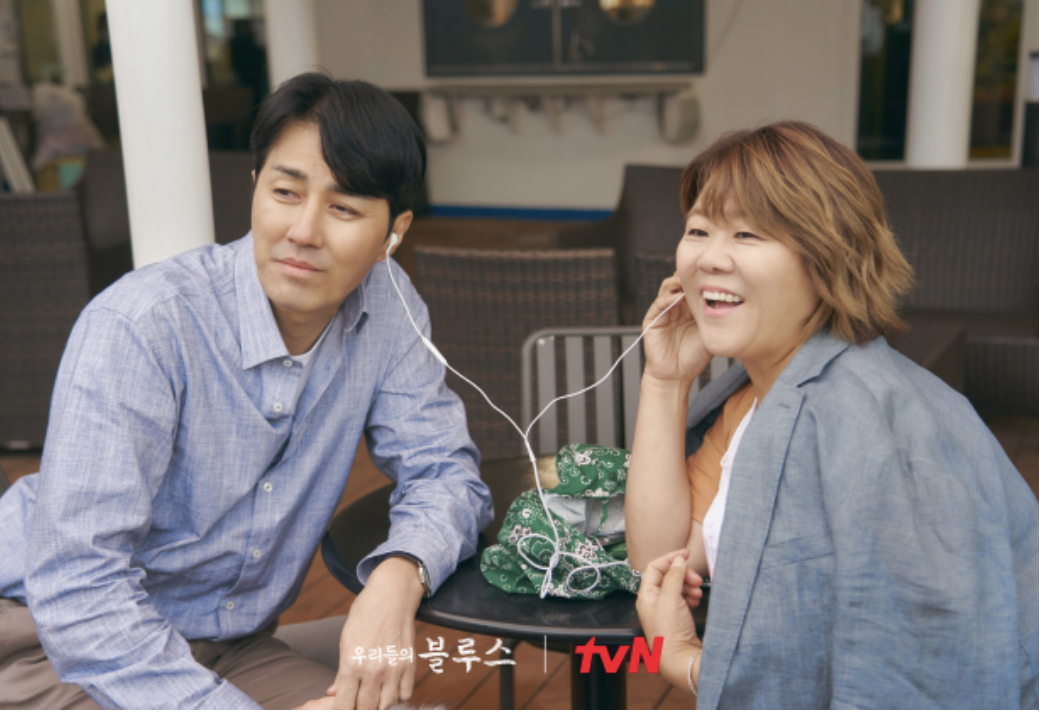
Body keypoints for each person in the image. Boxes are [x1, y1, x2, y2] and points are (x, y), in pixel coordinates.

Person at [0, 73, 493, 709]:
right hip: (48, 643)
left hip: (227, 644)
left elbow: (445, 472)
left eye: (344, 209)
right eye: (286, 192)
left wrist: (398, 577)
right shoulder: (143, 324)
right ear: (256, 185)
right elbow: (78, 588)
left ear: (392, 234)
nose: (304, 231)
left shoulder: (389, 308)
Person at [627, 121, 1038, 709]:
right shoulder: (758, 395)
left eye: (747, 233)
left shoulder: (874, 426)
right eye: (698, 230)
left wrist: (687, 664)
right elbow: (661, 563)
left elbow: (920, 681)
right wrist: (665, 381)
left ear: (826, 258)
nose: (710, 258)